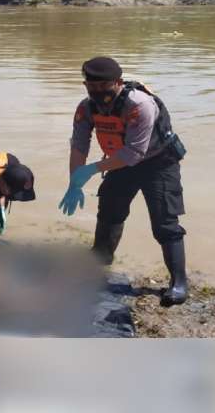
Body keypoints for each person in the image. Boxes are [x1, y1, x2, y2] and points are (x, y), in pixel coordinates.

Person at [58, 56, 189, 306]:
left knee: (165, 223)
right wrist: (75, 180)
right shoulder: (86, 108)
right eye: (91, 87)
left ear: (118, 82)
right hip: (119, 162)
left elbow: (134, 153)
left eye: (103, 86)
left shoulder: (140, 105)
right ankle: (100, 257)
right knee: (109, 209)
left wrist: (92, 170)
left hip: (158, 163)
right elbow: (79, 146)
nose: (97, 93)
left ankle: (179, 283)